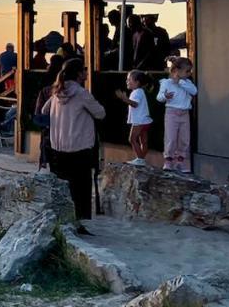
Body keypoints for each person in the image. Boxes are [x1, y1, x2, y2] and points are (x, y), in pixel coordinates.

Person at [41, 59, 105, 220]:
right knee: (81, 189)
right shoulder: (82, 94)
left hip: (58, 147)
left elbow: (44, 110)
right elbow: (100, 113)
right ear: (78, 73)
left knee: (62, 188)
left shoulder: (56, 92)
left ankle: (63, 219)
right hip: (79, 147)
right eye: (84, 69)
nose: (86, 72)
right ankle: (80, 221)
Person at [158, 57, 197, 172]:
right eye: (187, 71)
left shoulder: (187, 83)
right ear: (176, 71)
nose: (189, 73)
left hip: (184, 114)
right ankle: (168, 161)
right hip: (171, 113)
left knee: (184, 139)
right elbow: (159, 97)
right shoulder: (166, 83)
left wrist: (180, 82)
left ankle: (181, 162)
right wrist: (165, 96)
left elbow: (194, 91)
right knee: (170, 138)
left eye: (190, 71)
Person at [32, 55, 65, 169]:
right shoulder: (63, 79)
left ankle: (44, 165)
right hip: (60, 121)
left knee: (46, 143)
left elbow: (40, 110)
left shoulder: (47, 78)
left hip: (48, 119)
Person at [115, 70, 152, 165]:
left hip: (139, 121)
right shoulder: (140, 91)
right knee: (143, 141)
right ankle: (142, 159)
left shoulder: (136, 92)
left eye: (129, 80)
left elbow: (134, 104)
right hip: (145, 121)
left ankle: (140, 159)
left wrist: (124, 99)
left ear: (137, 82)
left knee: (132, 139)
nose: (127, 82)